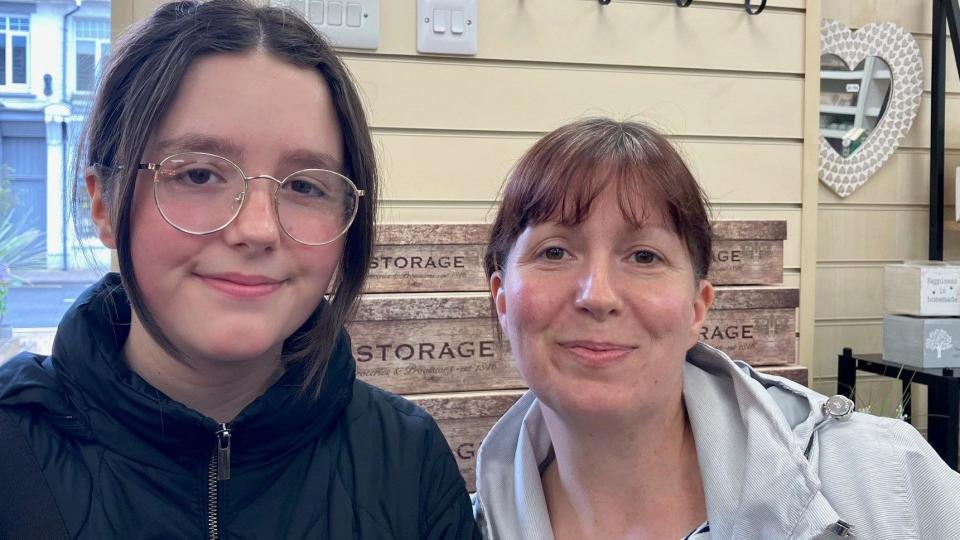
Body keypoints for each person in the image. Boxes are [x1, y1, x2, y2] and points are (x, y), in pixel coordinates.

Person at [0, 1, 478, 538]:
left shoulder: (409, 462)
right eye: (199, 175)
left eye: (304, 186)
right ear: (104, 205)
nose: (257, 229)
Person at [473, 117, 960, 539]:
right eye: (554, 251)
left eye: (644, 255)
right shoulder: (456, 525)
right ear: (501, 298)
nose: (597, 295)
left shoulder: (887, 482)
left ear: (697, 308)